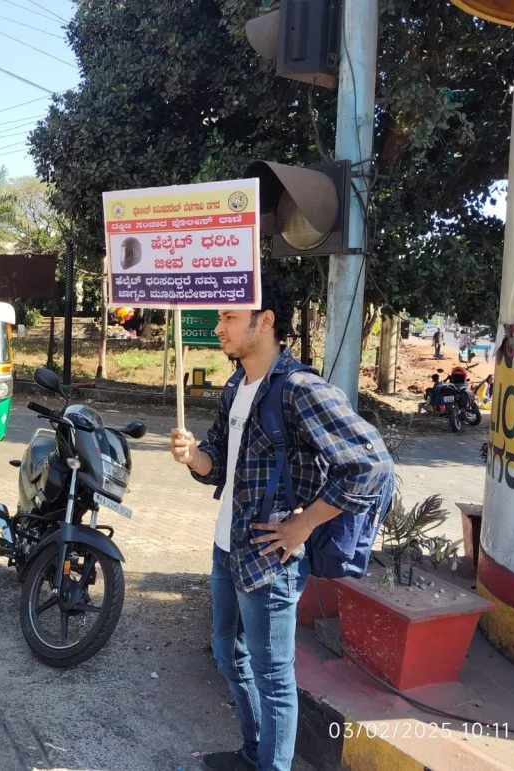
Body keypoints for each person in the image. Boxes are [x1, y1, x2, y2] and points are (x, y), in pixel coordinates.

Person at [168, 270, 393, 771]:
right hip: (229, 549)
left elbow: (370, 464)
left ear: (265, 321)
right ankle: (254, 754)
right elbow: (220, 467)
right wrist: (194, 457)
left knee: (273, 678)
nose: (219, 328)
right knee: (228, 655)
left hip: (271, 561)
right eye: (219, 317)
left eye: (228, 317)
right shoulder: (236, 387)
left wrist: (306, 524)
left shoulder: (298, 389)